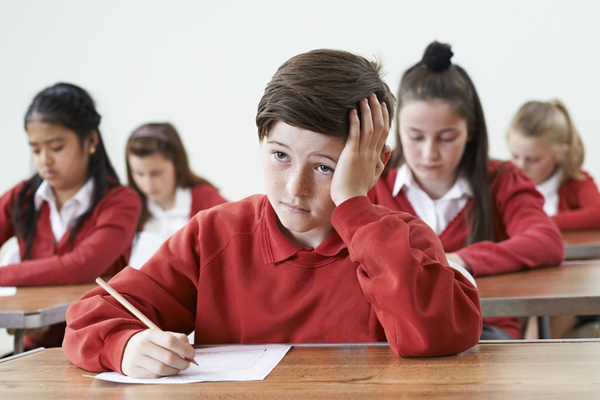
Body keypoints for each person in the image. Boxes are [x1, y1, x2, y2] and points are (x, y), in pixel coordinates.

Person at [63, 49, 482, 378]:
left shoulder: (403, 241)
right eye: (280, 155)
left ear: (374, 165)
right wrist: (125, 347)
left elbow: (439, 334)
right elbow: (89, 317)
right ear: (261, 142)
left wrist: (354, 206)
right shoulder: (214, 235)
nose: (295, 188)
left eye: (325, 167)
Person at [368, 41, 564, 340]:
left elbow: (546, 241)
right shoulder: (372, 181)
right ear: (398, 130)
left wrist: (459, 260)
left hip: (485, 329)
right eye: (416, 136)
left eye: (446, 138)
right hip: (396, 334)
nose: (429, 153)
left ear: (470, 131)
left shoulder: (501, 180)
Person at [0, 82, 141, 348]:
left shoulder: (121, 202)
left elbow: (81, 265)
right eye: (35, 149)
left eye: (56, 148)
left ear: (90, 141)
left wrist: (4, 274)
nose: (45, 160)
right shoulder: (21, 197)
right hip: (34, 349)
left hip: (99, 347)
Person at [125, 123, 227, 267]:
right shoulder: (128, 208)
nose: (148, 183)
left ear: (177, 164)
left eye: (156, 173)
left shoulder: (207, 199)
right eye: (139, 174)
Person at [507, 99, 600, 230]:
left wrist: (539, 223)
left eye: (532, 160)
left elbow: (597, 214)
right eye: (515, 156)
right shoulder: (504, 183)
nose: (520, 166)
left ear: (560, 154)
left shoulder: (577, 183)